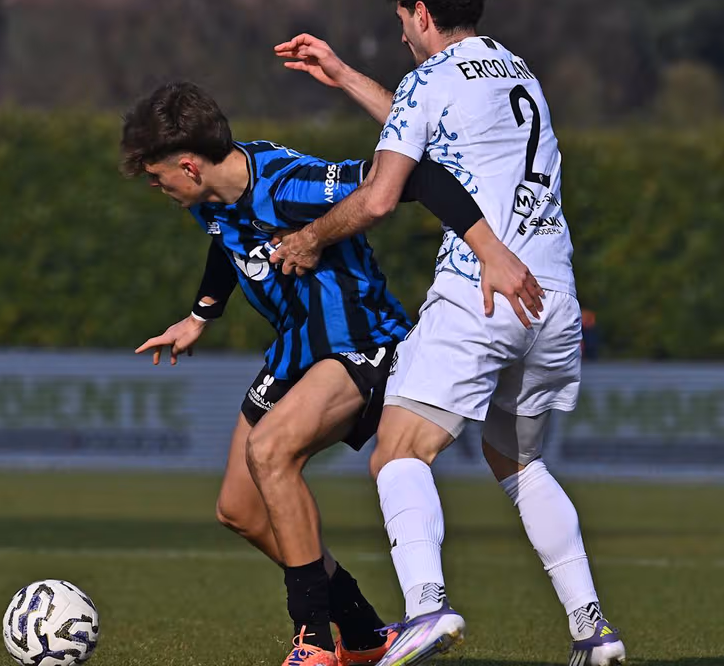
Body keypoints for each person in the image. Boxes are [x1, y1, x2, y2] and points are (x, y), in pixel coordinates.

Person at [271, 0, 627, 665]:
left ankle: (426, 608)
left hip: (481, 287)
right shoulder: (514, 67)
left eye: (403, 21)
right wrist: (344, 76)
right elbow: (435, 143)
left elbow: (381, 195)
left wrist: (309, 238)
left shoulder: (428, 79)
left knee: (397, 454)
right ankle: (594, 631)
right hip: (550, 296)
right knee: (519, 464)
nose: (402, 34)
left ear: (422, 14)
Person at [121, 81, 531, 666]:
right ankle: (363, 635)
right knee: (239, 508)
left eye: (157, 175)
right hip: (298, 349)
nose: (156, 186)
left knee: (269, 451)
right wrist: (200, 315)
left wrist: (490, 251)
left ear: (188, 165)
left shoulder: (289, 184)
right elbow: (227, 242)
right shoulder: (210, 196)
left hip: (360, 343)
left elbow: (417, 178)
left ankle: (313, 642)